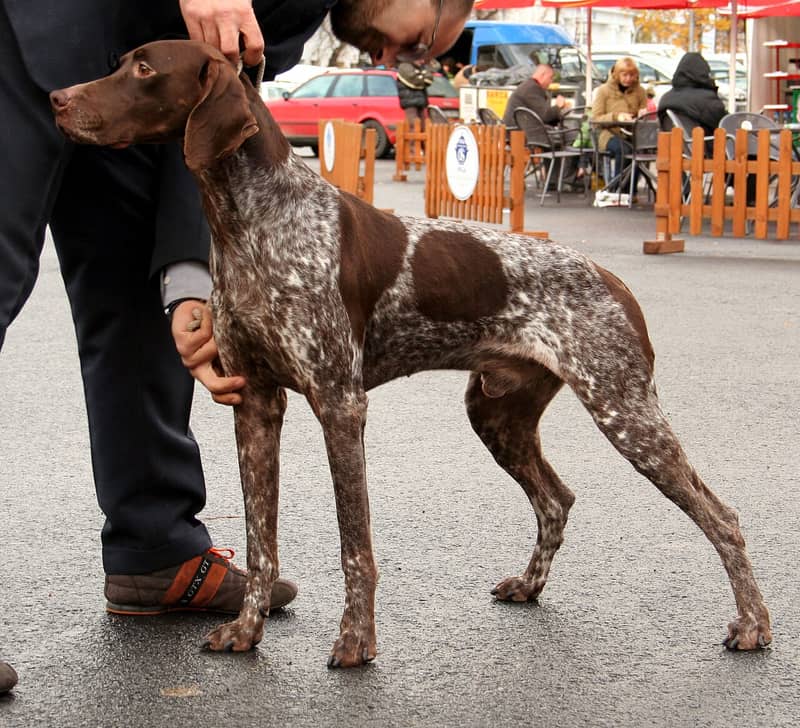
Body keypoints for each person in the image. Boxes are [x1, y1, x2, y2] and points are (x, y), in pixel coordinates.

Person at [0, 0, 475, 694]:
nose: (389, 61)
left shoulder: (292, 21)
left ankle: (154, 547)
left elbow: (199, 131)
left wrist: (189, 282)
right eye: (422, 43)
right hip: (42, 24)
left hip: (129, 68)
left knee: (137, 299)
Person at [591, 56, 649, 193]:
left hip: (632, 133)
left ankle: (630, 190)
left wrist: (643, 114)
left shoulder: (640, 91)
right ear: (616, 74)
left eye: (632, 75)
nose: (628, 78)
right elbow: (596, 118)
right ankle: (617, 190)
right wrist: (617, 116)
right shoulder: (604, 90)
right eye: (624, 75)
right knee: (624, 150)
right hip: (609, 133)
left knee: (641, 150)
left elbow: (643, 112)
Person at [658, 51, 726, 150]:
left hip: (677, 153)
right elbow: (723, 124)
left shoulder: (666, 98)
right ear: (703, 73)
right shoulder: (706, 99)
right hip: (708, 153)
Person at [502, 63, 569, 128]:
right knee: (572, 134)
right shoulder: (532, 88)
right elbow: (545, 116)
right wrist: (558, 106)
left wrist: (561, 112)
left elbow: (543, 117)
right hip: (518, 133)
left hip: (521, 129)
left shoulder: (529, 85)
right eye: (550, 78)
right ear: (543, 75)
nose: (551, 81)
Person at [396, 59, 435, 154]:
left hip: (421, 101)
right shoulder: (404, 66)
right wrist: (423, 77)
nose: (421, 60)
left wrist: (423, 76)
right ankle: (413, 149)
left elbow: (429, 77)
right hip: (409, 101)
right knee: (413, 125)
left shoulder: (421, 67)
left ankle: (423, 149)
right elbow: (414, 81)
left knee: (423, 125)